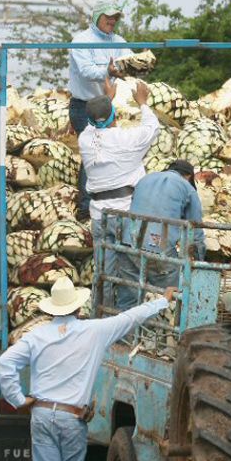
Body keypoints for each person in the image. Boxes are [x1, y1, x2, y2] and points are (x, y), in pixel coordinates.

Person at [0, 277, 177, 461]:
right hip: (72, 417)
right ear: (78, 309)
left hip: (43, 414)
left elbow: (5, 362)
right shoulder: (95, 331)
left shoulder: (36, 336)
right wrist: (163, 300)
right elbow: (131, 318)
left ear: (51, 311)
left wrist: (18, 399)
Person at [80, 78, 160, 307]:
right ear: (115, 115)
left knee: (103, 273)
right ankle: (126, 328)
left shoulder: (85, 139)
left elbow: (93, 124)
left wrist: (107, 100)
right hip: (126, 214)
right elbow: (152, 127)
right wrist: (143, 103)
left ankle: (100, 319)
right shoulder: (127, 139)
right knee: (131, 274)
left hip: (100, 216)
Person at [68, 0, 133, 222]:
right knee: (92, 152)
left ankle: (113, 203)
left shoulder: (120, 41)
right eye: (108, 16)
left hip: (112, 104)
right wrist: (110, 71)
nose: (112, 20)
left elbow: (130, 62)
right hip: (84, 106)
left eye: (116, 17)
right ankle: (86, 208)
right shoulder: (81, 41)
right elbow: (86, 70)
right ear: (97, 17)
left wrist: (136, 66)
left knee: (109, 151)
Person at [117, 160, 206, 310]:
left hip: (127, 241)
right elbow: (195, 230)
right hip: (157, 246)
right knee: (171, 298)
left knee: (128, 301)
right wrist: (198, 260)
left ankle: (125, 332)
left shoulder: (145, 179)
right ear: (189, 176)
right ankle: (166, 330)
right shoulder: (188, 188)